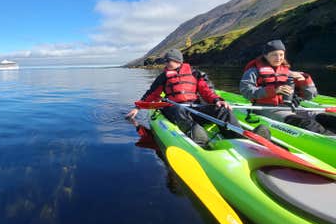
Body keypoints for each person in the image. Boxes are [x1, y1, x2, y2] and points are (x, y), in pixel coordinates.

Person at [126, 49, 268, 146]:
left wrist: (217, 101)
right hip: (175, 108)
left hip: (195, 107)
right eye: (167, 61)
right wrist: (137, 108)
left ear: (179, 61)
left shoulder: (196, 73)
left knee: (222, 110)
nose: (168, 63)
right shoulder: (163, 77)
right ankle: (195, 133)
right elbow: (152, 94)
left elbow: (207, 91)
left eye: (171, 61)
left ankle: (241, 138)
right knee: (178, 108)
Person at [240, 39, 336, 135]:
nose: (278, 58)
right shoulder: (253, 72)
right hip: (267, 108)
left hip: (292, 107)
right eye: (274, 55)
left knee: (327, 119)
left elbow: (310, 96)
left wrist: (305, 80)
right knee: (309, 124)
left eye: (281, 54)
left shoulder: (290, 73)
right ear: (265, 56)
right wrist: (274, 91)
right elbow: (246, 91)